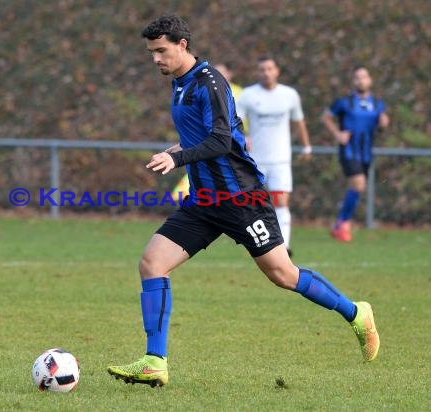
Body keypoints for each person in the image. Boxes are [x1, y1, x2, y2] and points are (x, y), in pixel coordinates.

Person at [107, 15, 379, 388]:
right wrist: (179, 147)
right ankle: (155, 361)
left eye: (161, 51)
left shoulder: (211, 82)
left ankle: (355, 312)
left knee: (283, 274)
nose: (155, 58)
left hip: (241, 198)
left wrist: (178, 159)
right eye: (151, 52)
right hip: (204, 200)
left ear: (182, 45)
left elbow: (222, 141)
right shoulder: (180, 84)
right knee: (152, 264)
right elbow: (204, 135)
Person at [235, 55, 312, 256]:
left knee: (281, 201)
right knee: (252, 203)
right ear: (257, 72)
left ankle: (284, 245)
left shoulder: (289, 95)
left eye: (270, 68)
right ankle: (256, 241)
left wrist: (306, 146)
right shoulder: (248, 95)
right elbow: (234, 123)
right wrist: (243, 140)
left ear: (277, 71)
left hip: (281, 160)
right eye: (262, 69)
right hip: (255, 160)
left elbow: (299, 121)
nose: (266, 73)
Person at [323, 66, 389, 242]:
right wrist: (338, 134)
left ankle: (339, 223)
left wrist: (384, 123)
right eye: (357, 77)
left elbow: (381, 124)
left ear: (370, 80)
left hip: (366, 152)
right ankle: (343, 224)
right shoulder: (345, 102)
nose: (361, 80)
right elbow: (326, 117)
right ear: (353, 81)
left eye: (364, 77)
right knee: (359, 185)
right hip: (349, 150)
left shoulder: (378, 103)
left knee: (358, 187)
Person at [171, 62, 243, 203]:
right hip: (208, 146)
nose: (215, 76)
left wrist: (246, 137)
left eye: (221, 73)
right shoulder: (202, 88)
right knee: (182, 194)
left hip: (230, 148)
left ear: (229, 74)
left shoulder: (240, 93)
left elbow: (241, 121)